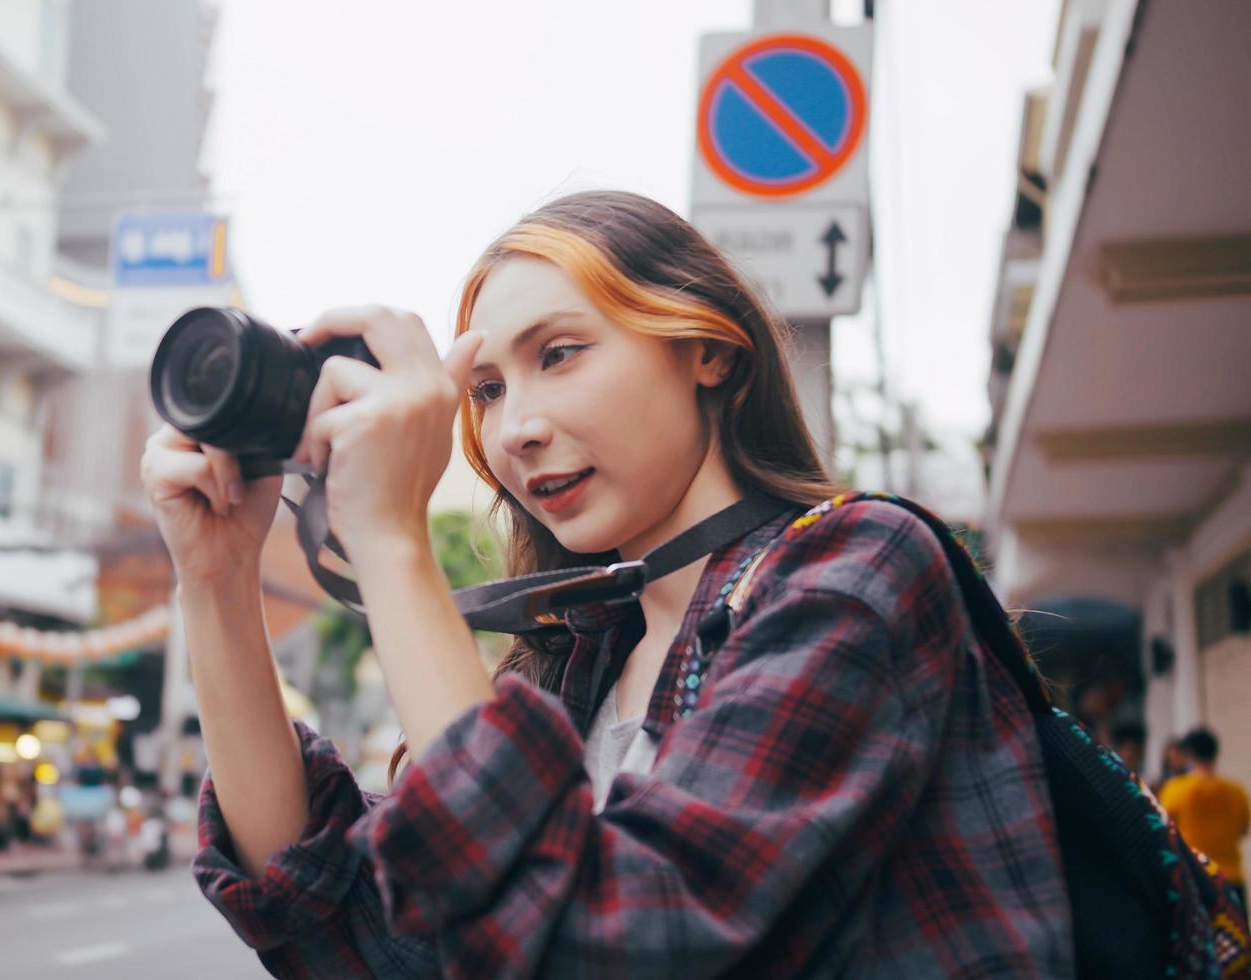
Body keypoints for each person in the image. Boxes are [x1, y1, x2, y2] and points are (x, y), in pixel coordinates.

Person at [149, 191, 1072, 976]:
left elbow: (598, 944)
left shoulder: (857, 568)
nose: (517, 430)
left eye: (559, 354)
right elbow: (340, 931)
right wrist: (218, 581)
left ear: (707, 347)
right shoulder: (578, 663)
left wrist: (391, 541)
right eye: (487, 391)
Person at [1159, 726, 1250, 904]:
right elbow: (1243, 829)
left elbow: (1162, 828)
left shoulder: (1175, 790)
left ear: (1189, 754)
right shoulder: (1236, 791)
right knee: (1235, 930)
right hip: (1231, 877)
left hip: (1195, 875)